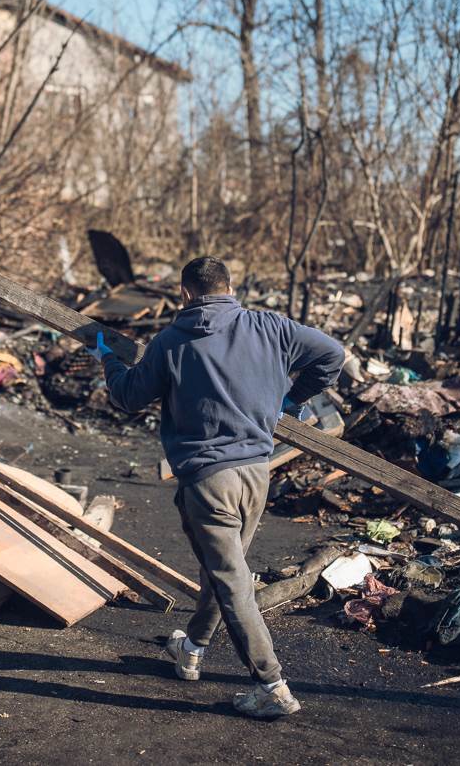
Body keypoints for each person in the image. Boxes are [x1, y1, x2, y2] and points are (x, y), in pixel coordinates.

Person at [88, 256, 344, 719]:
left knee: (232, 582)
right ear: (230, 287)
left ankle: (271, 685)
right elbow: (332, 355)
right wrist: (292, 398)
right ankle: (192, 649)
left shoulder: (171, 342)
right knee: (225, 571)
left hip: (208, 480)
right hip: (257, 474)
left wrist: (107, 358)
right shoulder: (271, 327)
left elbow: (127, 397)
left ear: (185, 293)